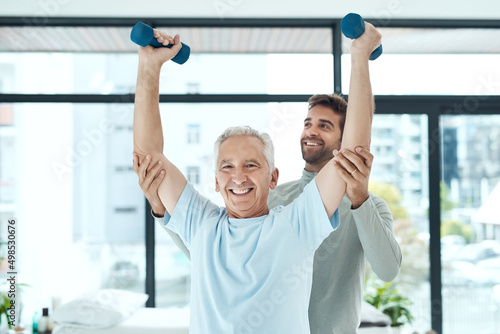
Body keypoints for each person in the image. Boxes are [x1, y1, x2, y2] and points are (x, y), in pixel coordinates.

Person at [133, 23, 384, 333]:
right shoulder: (200, 224)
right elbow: (148, 159)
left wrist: (359, 58)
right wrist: (149, 66)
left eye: (251, 165)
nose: (238, 176)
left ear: (273, 177)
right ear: (215, 181)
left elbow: (352, 154)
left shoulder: (296, 224)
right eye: (227, 167)